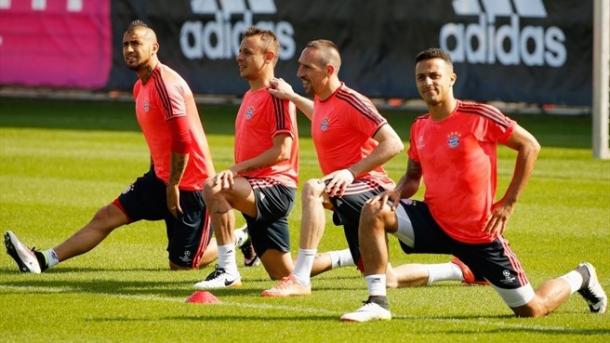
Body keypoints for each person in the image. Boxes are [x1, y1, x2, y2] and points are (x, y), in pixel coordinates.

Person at [340, 48, 608, 322]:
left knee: (531, 309)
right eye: (421, 77)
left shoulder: (479, 115)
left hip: (480, 235)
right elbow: (412, 177)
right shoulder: (419, 126)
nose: (428, 82)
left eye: (435, 76)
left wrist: (508, 202)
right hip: (434, 222)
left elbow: (530, 145)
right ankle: (377, 302)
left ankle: (582, 275)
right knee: (373, 209)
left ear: (452, 78)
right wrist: (396, 192)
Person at [3, 20, 240, 272]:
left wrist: (172, 184)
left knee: (182, 266)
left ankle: (239, 238)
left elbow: (183, 139)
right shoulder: (140, 87)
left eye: (136, 43)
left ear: (154, 47)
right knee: (106, 216)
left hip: (190, 186)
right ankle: (42, 260)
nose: (129, 49)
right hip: (162, 179)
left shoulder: (166, 85)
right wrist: (158, 176)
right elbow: (158, 138)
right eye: (125, 44)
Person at [260, 40, 404, 297]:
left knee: (314, 189)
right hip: (347, 188)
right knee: (388, 279)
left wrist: (350, 172)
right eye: (299, 66)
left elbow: (393, 144)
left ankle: (301, 279)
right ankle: (458, 271)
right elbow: (324, 117)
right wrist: (292, 96)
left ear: (328, 71)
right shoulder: (325, 102)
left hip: (371, 186)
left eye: (307, 67)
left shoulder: (352, 101)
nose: (299, 73)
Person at [192, 27, 299, 289]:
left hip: (275, 188)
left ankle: (227, 271)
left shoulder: (276, 95)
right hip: (255, 188)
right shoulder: (251, 95)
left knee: (216, 187)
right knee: (286, 275)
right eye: (240, 51)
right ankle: (345, 257)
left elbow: (282, 151)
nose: (239, 57)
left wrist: (236, 169)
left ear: (269, 57)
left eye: (248, 52)